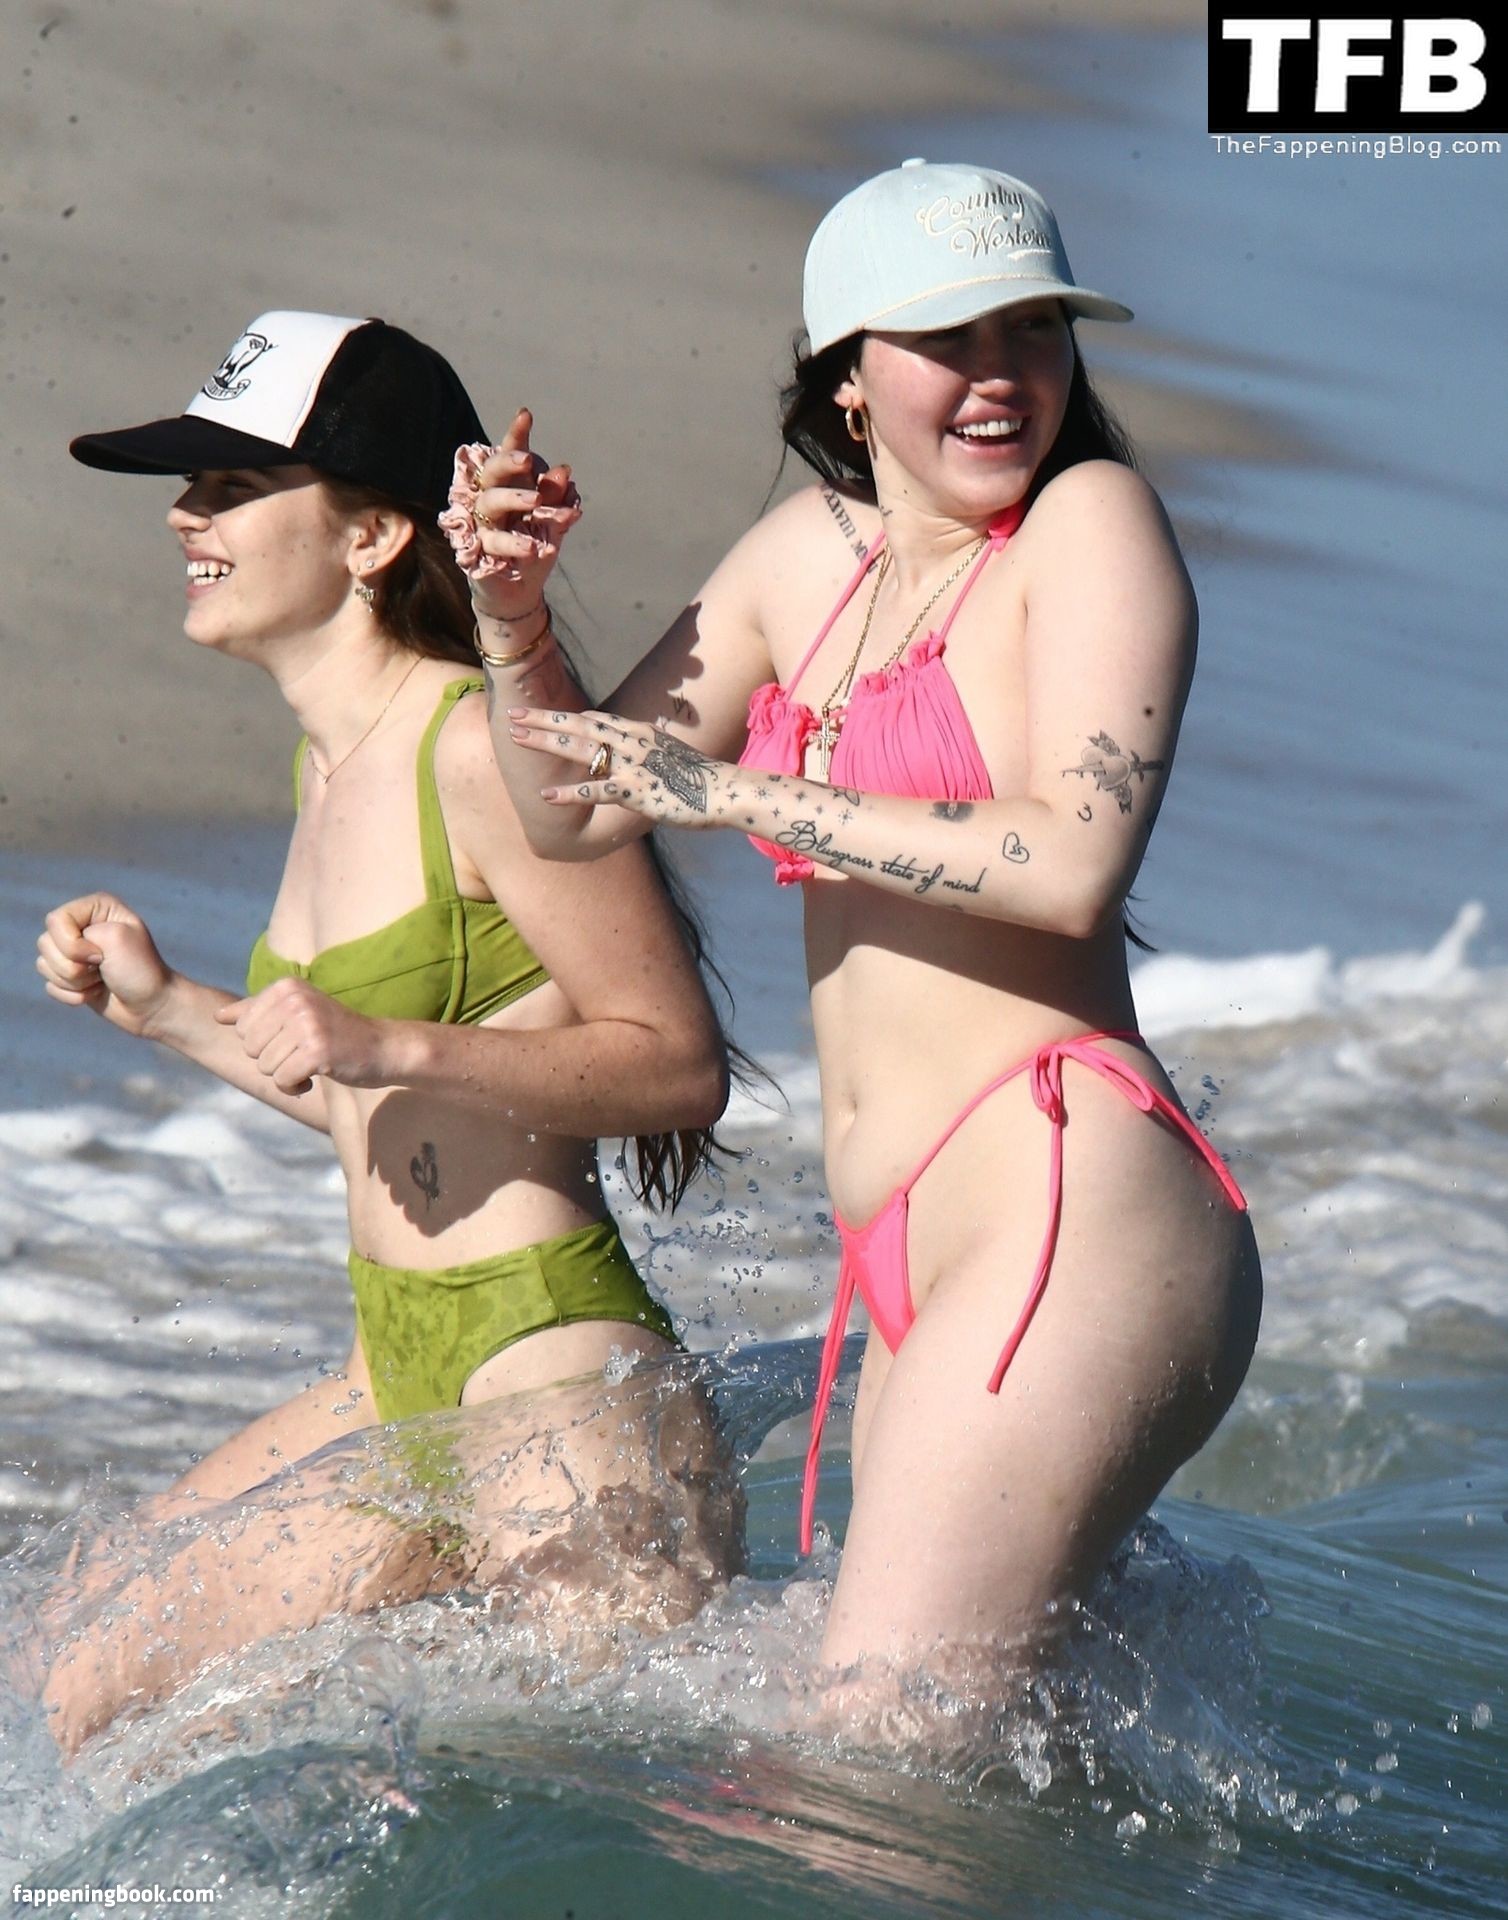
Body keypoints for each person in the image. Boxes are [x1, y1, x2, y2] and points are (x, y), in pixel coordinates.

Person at [468, 161, 1263, 1691]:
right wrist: (513, 622)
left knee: (868, 1748)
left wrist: (737, 793)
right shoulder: (804, 563)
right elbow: (570, 813)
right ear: (846, 377)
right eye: (947, 338)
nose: (999, 372)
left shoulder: (1089, 524)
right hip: (912, 1251)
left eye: (1033, 328)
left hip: (1067, 1206)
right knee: (916, 1756)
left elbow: (1071, 863)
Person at [34, 311, 741, 1750]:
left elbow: (678, 1064)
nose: (185, 515)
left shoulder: (479, 747)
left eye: (233, 487)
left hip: (551, 1360)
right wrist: (170, 1013)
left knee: (586, 1789)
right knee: (82, 1670)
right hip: (393, 1361)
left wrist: (388, 1044)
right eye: (190, 486)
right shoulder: (327, 761)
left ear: (369, 537)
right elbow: (365, 1092)